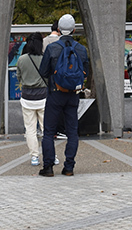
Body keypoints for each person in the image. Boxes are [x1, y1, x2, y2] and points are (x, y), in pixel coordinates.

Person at [38, 13, 89, 177]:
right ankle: (69, 167)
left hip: (55, 93)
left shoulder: (52, 48)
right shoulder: (81, 49)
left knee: (49, 131)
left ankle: (48, 167)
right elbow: (85, 72)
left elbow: (43, 72)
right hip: (73, 94)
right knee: (72, 131)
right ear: (74, 30)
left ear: (59, 30)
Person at [16, 32, 48, 166]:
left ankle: (34, 157)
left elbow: (19, 77)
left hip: (27, 97)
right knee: (47, 128)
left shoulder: (22, 59)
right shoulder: (45, 58)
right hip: (43, 97)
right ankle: (51, 155)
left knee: (30, 129)